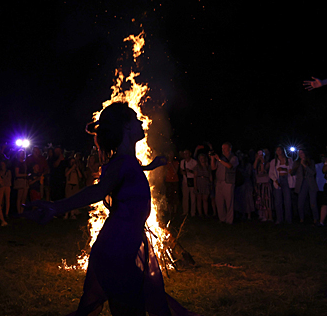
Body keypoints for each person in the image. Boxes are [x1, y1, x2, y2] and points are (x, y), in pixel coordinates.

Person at [22, 102, 196, 316]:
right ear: (124, 127)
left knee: (136, 302)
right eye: (134, 118)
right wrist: (55, 206)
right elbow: (97, 191)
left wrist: (150, 166)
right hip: (118, 246)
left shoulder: (127, 162)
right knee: (131, 307)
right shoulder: (122, 163)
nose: (140, 121)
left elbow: (128, 171)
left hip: (124, 242)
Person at [211, 142, 239, 224]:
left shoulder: (233, 158)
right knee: (219, 202)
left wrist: (219, 159)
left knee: (229, 202)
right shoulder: (221, 158)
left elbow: (230, 166)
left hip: (228, 182)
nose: (223, 150)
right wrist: (213, 159)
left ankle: (229, 220)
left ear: (230, 149)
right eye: (222, 148)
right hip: (219, 182)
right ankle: (222, 218)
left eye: (225, 148)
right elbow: (213, 168)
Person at [290, 149, 319, 224]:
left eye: (302, 152)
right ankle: (301, 218)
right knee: (300, 203)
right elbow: (292, 173)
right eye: (299, 153)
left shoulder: (311, 162)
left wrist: (304, 165)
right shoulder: (296, 162)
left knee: (313, 203)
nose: (301, 154)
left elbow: (313, 173)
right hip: (301, 184)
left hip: (311, 184)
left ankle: (315, 218)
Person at [269, 146, 295, 224]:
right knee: (278, 201)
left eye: (280, 149)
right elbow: (271, 173)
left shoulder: (289, 160)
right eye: (277, 150)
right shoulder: (273, 161)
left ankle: (288, 219)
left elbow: (292, 171)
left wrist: (285, 170)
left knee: (287, 200)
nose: (278, 151)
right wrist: (275, 180)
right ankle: (279, 219)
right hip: (278, 180)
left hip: (286, 180)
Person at [253, 150, 273, 221]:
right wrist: (257, 159)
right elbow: (254, 167)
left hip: (266, 184)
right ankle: (265, 216)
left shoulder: (267, 163)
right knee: (262, 200)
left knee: (267, 200)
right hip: (260, 184)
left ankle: (270, 217)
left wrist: (262, 162)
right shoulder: (257, 163)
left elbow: (263, 171)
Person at [193, 153, 212, 218]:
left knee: (205, 199)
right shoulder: (197, 167)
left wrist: (211, 183)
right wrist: (195, 186)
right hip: (199, 182)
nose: (201, 160)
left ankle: (206, 213)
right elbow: (195, 177)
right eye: (200, 158)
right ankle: (200, 213)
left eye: (202, 158)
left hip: (206, 183)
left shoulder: (208, 166)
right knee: (199, 199)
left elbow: (210, 175)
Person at [179, 149, 197, 216]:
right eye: (184, 153)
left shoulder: (194, 162)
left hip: (192, 181)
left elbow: (196, 172)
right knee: (185, 197)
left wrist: (190, 171)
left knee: (193, 197)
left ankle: (193, 212)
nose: (185, 155)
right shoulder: (182, 162)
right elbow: (181, 171)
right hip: (185, 181)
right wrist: (184, 172)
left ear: (190, 154)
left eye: (187, 153)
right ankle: (185, 211)